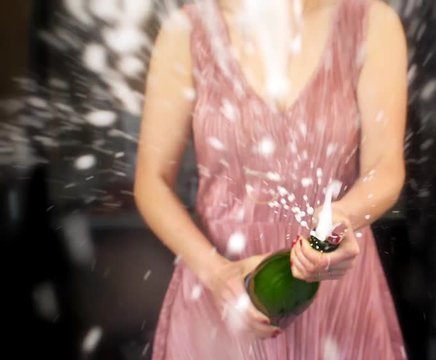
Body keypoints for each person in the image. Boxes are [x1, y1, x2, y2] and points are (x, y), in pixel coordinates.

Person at [134, 0, 407, 358]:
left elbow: (386, 167)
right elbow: (151, 182)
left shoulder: (372, 23)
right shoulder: (185, 33)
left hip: (332, 280)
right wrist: (219, 276)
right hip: (219, 284)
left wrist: (340, 221)